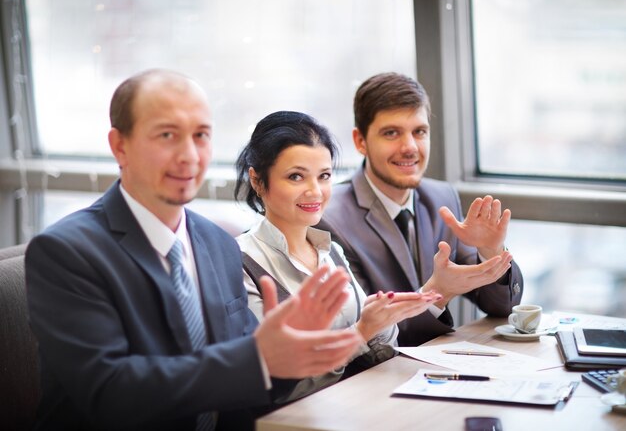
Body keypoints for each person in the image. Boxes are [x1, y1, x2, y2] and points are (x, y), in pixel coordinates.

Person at [25, 69, 363, 430]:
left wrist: (288, 352)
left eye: (201, 135)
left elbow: (252, 382)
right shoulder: (67, 252)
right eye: (168, 135)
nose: (189, 155)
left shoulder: (217, 244)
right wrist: (258, 359)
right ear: (120, 146)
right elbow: (110, 393)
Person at [234, 110, 441, 401]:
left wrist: (382, 322)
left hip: (357, 408)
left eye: (324, 176)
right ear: (257, 181)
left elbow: (378, 354)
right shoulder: (240, 263)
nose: (315, 191)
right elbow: (278, 386)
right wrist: (359, 333)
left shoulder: (331, 251)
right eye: (296, 177)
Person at [317, 72, 523, 346]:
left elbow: (502, 308)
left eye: (419, 132)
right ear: (360, 141)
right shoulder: (328, 218)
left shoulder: (441, 196)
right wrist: (439, 292)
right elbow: (369, 334)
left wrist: (491, 254)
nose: (410, 147)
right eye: (391, 133)